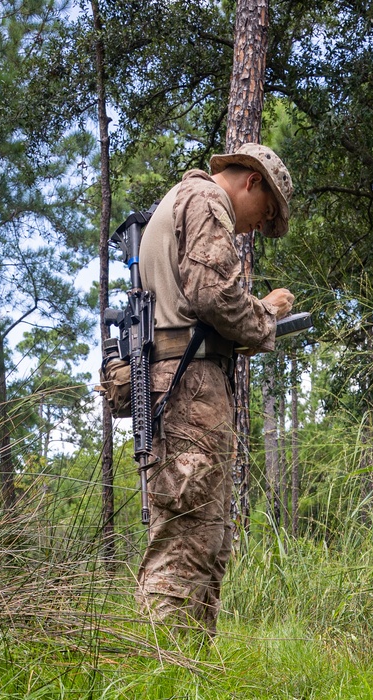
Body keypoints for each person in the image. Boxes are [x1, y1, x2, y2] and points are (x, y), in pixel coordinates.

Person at [133, 145, 295, 634]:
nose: (252, 230)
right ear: (252, 182)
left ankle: (190, 675)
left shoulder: (182, 200)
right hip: (189, 385)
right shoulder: (206, 201)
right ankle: (163, 668)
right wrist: (265, 314)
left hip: (183, 380)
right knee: (186, 537)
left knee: (204, 537)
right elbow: (212, 296)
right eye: (262, 216)